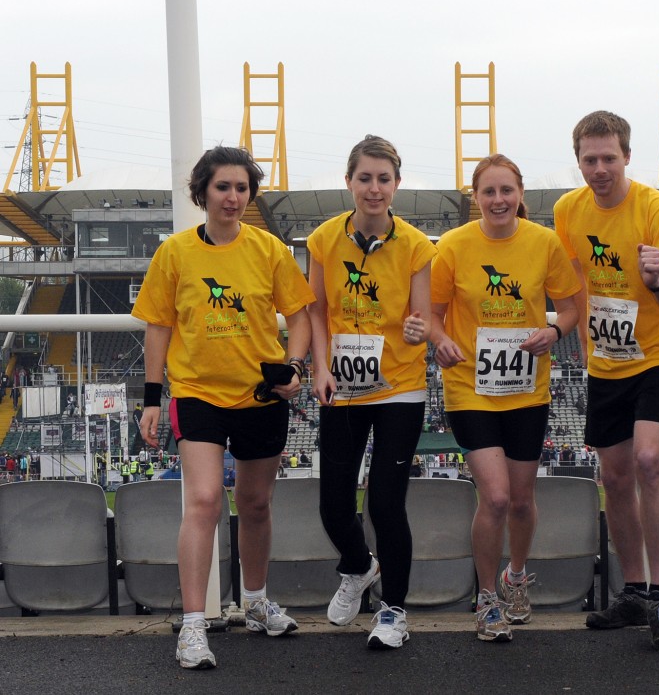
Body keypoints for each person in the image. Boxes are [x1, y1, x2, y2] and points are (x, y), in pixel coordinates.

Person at [133, 145, 314, 670]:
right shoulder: (175, 253)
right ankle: (193, 625)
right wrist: (151, 398)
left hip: (259, 395)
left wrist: (294, 366)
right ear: (203, 192)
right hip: (198, 393)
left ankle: (255, 602)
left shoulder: (270, 250)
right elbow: (159, 326)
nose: (232, 197)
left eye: (241, 188)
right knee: (205, 500)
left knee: (255, 504)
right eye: (222, 187)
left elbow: (299, 316)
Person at [554, 111, 659, 652]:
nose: (599, 169)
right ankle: (633, 591)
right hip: (608, 359)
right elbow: (574, 282)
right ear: (578, 161)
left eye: (609, 158)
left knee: (649, 460)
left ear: (628, 157)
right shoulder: (568, 211)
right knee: (613, 477)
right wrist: (576, 334)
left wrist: (656, 280)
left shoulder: (657, 209)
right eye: (589, 159)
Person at [430, 154, 580, 642]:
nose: (498, 200)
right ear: (475, 197)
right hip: (470, 387)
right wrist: (440, 340)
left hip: (526, 388)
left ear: (520, 194)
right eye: (488, 192)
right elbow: (431, 314)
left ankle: (516, 576)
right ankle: (487, 597)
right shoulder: (453, 246)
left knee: (520, 499)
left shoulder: (544, 242)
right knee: (494, 497)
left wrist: (554, 331)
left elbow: (571, 308)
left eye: (506, 190)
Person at [308, 135, 436, 650]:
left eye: (384, 179)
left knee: (385, 504)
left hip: (399, 388)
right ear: (349, 182)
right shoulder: (323, 240)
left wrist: (417, 331)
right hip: (342, 386)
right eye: (365, 178)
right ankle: (359, 566)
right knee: (333, 504)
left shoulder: (417, 245)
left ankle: (394, 611)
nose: (374, 188)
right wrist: (319, 366)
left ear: (397, 184)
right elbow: (316, 310)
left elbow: (421, 319)